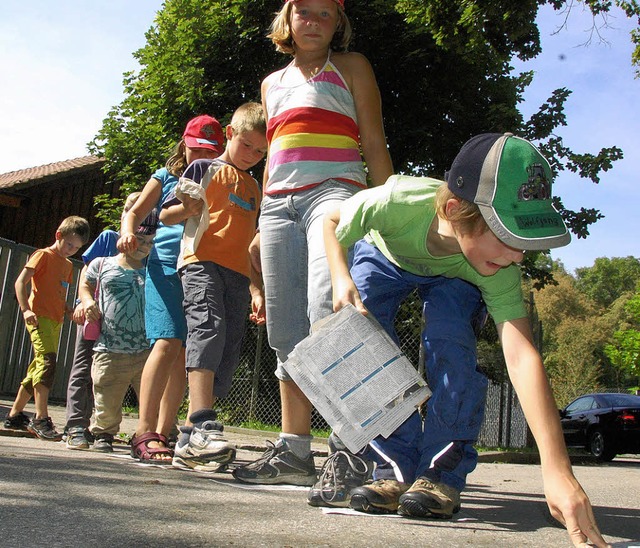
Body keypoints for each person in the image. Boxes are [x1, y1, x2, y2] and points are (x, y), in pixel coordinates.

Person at [323, 132, 610, 547]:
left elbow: (521, 355)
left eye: (524, 243)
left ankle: (438, 475)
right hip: (386, 256)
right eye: (509, 238)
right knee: (361, 342)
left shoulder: (497, 265)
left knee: (451, 348)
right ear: (455, 210)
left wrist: (557, 470)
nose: (518, 257)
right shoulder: (397, 201)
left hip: (460, 272)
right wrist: (339, 277)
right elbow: (332, 220)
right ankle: (392, 471)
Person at [232, 0, 393, 489]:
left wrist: (388, 209)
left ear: (338, 23)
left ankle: (350, 452)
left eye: (326, 14)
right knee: (285, 330)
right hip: (279, 205)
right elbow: (275, 151)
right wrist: (261, 219)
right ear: (288, 18)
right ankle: (294, 452)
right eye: (305, 11)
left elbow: (373, 138)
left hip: (334, 194)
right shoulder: (271, 83)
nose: (314, 21)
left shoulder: (351, 67)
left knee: (330, 310)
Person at [160, 102, 267, 471]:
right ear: (229, 134)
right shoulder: (204, 167)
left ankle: (191, 435)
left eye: (260, 151)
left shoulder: (254, 186)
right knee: (208, 328)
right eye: (247, 145)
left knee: (228, 342)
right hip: (200, 263)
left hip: (237, 274)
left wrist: (257, 289)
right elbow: (166, 213)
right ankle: (204, 419)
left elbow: (250, 243)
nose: (252, 155)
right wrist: (186, 209)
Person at [118, 114, 224, 462]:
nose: (201, 159)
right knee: (166, 342)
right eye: (196, 151)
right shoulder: (165, 178)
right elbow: (135, 213)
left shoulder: (218, 179)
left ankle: (166, 430)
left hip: (196, 268)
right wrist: (127, 232)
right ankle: (143, 430)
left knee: (184, 352)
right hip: (164, 268)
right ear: (184, 145)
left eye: (209, 153)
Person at [65, 192, 141, 450]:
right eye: (131, 210)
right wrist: (83, 303)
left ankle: (109, 429)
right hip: (95, 317)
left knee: (110, 376)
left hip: (128, 328)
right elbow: (87, 274)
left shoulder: (149, 248)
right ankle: (76, 425)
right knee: (84, 369)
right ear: (124, 214)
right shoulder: (109, 238)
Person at [4, 216, 90, 440]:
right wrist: (26, 310)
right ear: (58, 236)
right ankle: (41, 418)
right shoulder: (43, 255)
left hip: (55, 321)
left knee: (38, 368)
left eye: (77, 248)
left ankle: (14, 415)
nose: (71, 250)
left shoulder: (69, 265)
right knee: (47, 363)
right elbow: (20, 282)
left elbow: (59, 293)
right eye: (69, 244)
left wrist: (69, 311)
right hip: (38, 317)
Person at [79, 211, 158, 452]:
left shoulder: (153, 270)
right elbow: (85, 283)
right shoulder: (102, 264)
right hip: (110, 346)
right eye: (139, 239)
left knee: (153, 395)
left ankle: (153, 433)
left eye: (149, 242)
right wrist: (86, 301)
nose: (143, 246)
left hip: (147, 349)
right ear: (125, 237)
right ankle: (104, 433)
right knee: (107, 394)